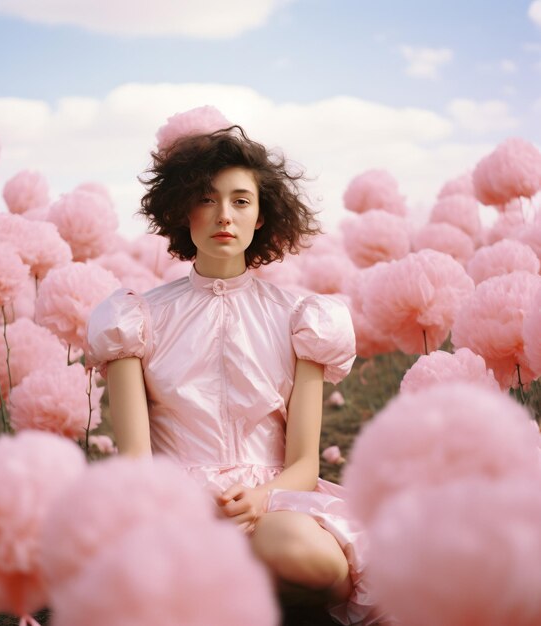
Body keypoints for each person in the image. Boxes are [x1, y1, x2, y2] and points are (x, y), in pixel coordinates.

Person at [85, 125, 379, 625]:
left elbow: (304, 459)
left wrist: (262, 499)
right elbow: (136, 462)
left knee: (294, 548)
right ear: (183, 211)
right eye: (207, 198)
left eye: (241, 201)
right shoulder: (134, 320)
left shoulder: (301, 317)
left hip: (275, 502)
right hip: (169, 506)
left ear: (261, 215)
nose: (224, 215)